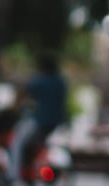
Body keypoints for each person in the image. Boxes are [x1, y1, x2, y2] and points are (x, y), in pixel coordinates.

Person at [8, 52, 68, 183]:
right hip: (55, 123)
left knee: (17, 142)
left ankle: (13, 176)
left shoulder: (40, 81)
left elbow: (23, 92)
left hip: (40, 121)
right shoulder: (60, 82)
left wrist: (13, 108)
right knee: (36, 144)